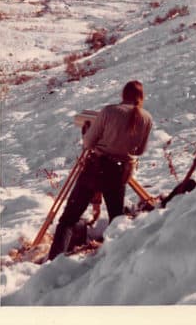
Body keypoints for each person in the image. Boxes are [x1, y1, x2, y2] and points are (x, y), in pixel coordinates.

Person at [48, 80, 152, 260]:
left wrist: (91, 132)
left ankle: (52, 263)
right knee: (116, 221)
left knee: (68, 220)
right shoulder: (146, 118)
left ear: (123, 95)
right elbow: (140, 151)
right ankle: (115, 260)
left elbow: (88, 143)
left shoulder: (109, 111)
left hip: (96, 168)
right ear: (141, 97)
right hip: (119, 172)